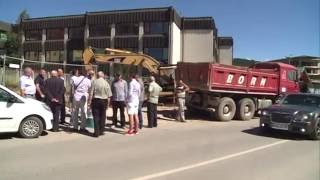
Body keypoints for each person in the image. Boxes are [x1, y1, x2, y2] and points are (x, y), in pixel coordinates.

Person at [89, 71, 112, 137]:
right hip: (104, 100)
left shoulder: (94, 82)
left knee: (96, 116)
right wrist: (108, 104)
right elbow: (109, 95)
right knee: (103, 116)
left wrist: (90, 102)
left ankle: (96, 132)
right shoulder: (106, 83)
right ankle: (101, 131)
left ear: (97, 76)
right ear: (103, 75)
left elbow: (91, 93)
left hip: (96, 100)